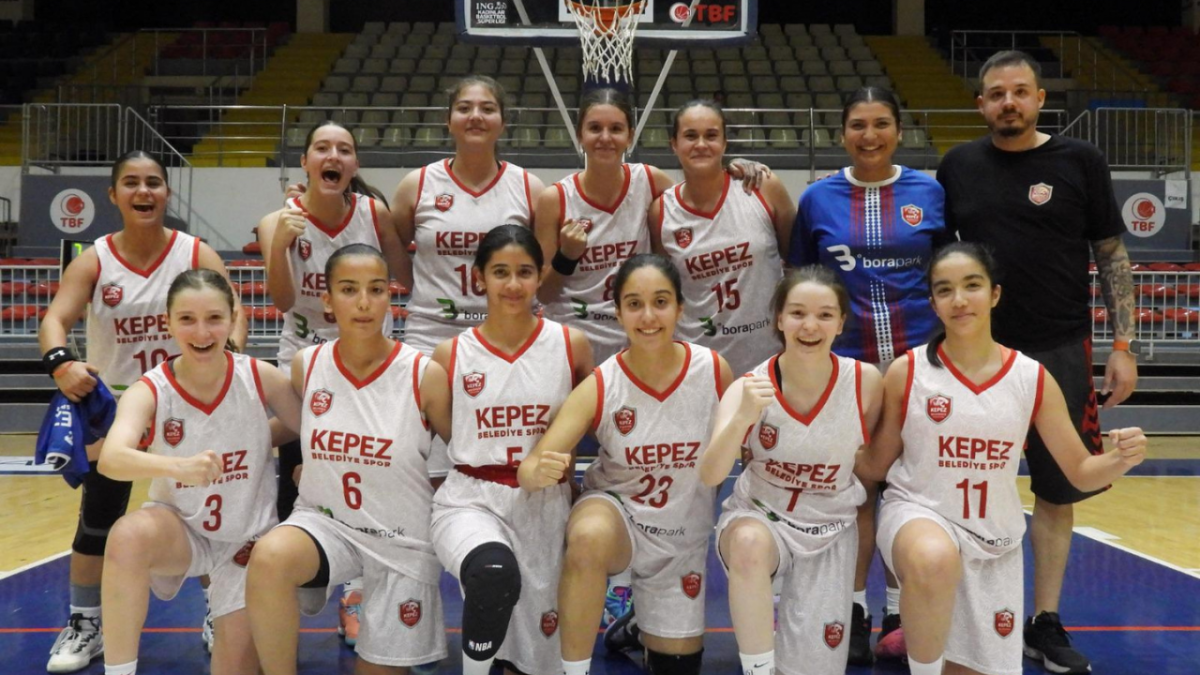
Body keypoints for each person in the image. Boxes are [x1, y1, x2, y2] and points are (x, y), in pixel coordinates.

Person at [936, 50, 1138, 675]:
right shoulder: (957, 166)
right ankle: (957, 611)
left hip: (1059, 350)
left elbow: (1111, 254)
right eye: (997, 94)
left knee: (1056, 488)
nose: (1009, 103)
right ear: (981, 104)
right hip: (976, 357)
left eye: (1020, 91)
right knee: (960, 485)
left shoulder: (1081, 161)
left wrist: (1124, 346)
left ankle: (1044, 620)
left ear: (1040, 98)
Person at [860, 241, 1146, 675]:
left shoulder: (1030, 377)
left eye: (971, 286)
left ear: (994, 294)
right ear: (933, 304)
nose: (959, 300)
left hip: (993, 542)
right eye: (944, 290)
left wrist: (1121, 458)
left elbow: (1080, 471)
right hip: (919, 514)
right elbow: (875, 465)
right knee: (933, 557)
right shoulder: (908, 371)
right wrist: (829, 446)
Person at [38, 150, 246, 673]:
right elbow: (55, 319)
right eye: (131, 183)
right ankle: (86, 623)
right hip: (119, 406)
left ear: (166, 193)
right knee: (99, 519)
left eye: (153, 182)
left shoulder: (194, 252)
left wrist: (229, 359)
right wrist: (61, 363)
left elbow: (234, 312)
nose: (143, 191)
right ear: (114, 195)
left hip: (187, 401)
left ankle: (217, 608)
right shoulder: (94, 260)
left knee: (207, 514)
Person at [790, 86, 949, 664]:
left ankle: (904, 612)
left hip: (919, 365)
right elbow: (802, 283)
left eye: (881, 123)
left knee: (912, 489)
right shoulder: (817, 199)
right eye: (858, 124)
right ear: (843, 134)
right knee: (856, 490)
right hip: (847, 370)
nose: (870, 135)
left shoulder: (930, 193)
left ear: (899, 131)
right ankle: (853, 609)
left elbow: (948, 273)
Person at [519, 253, 734, 675]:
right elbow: (530, 468)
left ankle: (634, 624)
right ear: (618, 312)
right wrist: (538, 471)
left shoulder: (713, 371)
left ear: (680, 308)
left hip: (681, 536)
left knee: (678, 666)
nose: (648, 316)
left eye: (660, 302)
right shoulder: (603, 383)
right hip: (619, 518)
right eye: (634, 304)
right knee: (588, 538)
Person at [246, 244, 451, 675]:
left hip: (400, 539)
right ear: (327, 299)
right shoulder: (307, 365)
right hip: (327, 524)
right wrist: (235, 446)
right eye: (348, 289)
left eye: (376, 289)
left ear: (389, 297)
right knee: (269, 557)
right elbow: (297, 424)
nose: (363, 302)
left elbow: (467, 454)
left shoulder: (424, 374)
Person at [96, 269, 300, 675]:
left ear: (233, 319)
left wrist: (266, 442)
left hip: (248, 539)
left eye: (214, 318)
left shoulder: (259, 377)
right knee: (127, 536)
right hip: (182, 529)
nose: (202, 332)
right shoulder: (150, 389)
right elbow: (111, 459)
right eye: (187, 319)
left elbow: (309, 428)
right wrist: (179, 466)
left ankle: (228, 613)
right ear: (168, 322)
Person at [257, 120, 409, 647]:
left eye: (344, 149)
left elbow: (406, 277)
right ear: (305, 162)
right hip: (303, 361)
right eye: (322, 147)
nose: (333, 155)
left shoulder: (373, 214)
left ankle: (356, 592)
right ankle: (305, 569)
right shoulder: (277, 221)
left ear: (354, 165)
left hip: (367, 360)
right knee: (298, 477)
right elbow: (280, 300)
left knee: (366, 475)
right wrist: (281, 244)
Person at [700, 266, 883, 675]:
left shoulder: (865, 383)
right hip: (762, 517)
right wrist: (742, 418)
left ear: (841, 323)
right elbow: (711, 474)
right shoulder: (749, 386)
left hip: (830, 528)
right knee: (748, 545)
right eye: (798, 313)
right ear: (780, 319)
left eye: (824, 315)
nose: (810, 326)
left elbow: (871, 462)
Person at [430, 225, 593, 675]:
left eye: (524, 272)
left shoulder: (570, 345)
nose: (513, 284)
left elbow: (586, 421)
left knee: (536, 658)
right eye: (500, 272)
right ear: (479, 277)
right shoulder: (449, 355)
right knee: (493, 574)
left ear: (540, 276)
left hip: (545, 503)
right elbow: (451, 435)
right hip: (473, 497)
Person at [536, 87, 770, 365]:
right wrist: (566, 257)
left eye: (616, 129)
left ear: (630, 136)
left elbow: (696, 197)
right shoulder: (555, 199)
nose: (605, 137)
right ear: (579, 136)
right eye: (595, 128)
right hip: (574, 345)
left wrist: (734, 165)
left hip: (638, 341)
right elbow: (543, 294)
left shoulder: (649, 181)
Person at [393, 75, 546, 358]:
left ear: (503, 123)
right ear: (448, 121)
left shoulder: (530, 188)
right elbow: (393, 250)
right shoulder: (417, 185)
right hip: (431, 333)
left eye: (487, 109)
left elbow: (544, 265)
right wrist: (423, 288)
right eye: (464, 108)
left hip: (511, 332)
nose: (475, 116)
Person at [650, 99, 796, 376]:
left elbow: (797, 262)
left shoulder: (763, 187)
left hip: (769, 358)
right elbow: (665, 290)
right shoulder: (661, 211)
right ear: (674, 144)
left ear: (725, 143)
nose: (701, 144)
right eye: (690, 136)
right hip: (700, 364)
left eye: (711, 135)